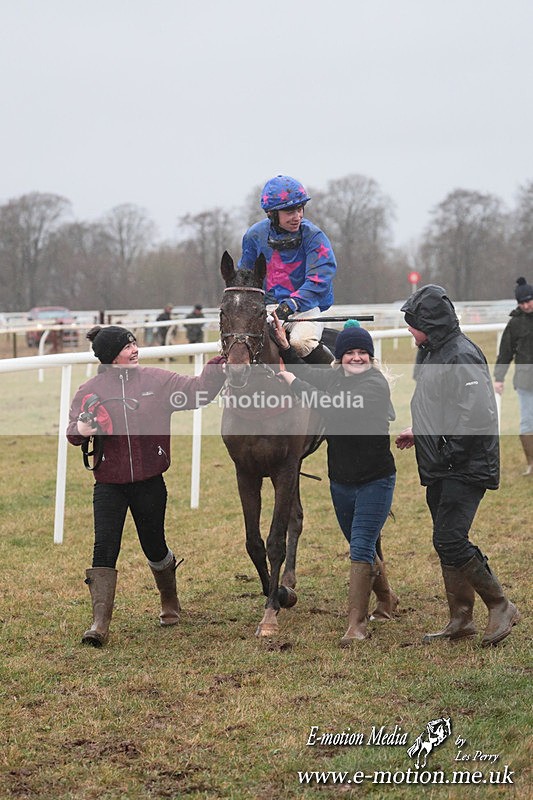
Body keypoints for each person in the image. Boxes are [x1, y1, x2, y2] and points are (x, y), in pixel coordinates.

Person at [66, 325, 226, 647]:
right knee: (104, 549)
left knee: (154, 546)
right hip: (109, 485)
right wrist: (84, 425)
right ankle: (99, 624)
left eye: (135, 344)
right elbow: (73, 432)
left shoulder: (158, 381)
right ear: (112, 357)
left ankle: (170, 602)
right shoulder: (89, 389)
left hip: (150, 483)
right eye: (128, 347)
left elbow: (199, 392)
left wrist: (222, 362)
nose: (135, 350)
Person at [395, 285, 520, 647]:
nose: (407, 329)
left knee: (449, 538)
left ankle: (500, 605)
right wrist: (419, 431)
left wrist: (447, 449)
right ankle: (460, 620)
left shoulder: (461, 354)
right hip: (442, 461)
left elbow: (477, 415)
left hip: (464, 464)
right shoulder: (432, 350)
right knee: (446, 540)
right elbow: (441, 405)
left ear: (429, 323)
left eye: (411, 322)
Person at [273, 316, 398, 647]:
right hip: (341, 482)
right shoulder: (336, 378)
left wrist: (294, 383)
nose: (356, 357)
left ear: (371, 358)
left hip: (376, 480)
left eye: (362, 352)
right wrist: (287, 348)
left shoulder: (373, 385)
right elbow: (314, 364)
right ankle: (387, 601)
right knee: (364, 546)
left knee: (359, 546)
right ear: (340, 358)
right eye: (350, 353)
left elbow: (334, 407)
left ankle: (355, 625)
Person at [238, 174, 337, 364]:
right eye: (290, 211)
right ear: (272, 214)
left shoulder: (314, 236)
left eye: (300, 209)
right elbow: (245, 277)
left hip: (304, 309)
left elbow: (320, 279)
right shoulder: (254, 236)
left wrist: (291, 305)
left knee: (301, 343)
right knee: (234, 345)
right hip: (266, 309)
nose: (297, 216)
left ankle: (336, 380)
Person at [494, 276, 533, 476]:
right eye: (522, 302)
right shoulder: (515, 324)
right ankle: (531, 463)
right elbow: (505, 352)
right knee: (527, 422)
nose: (526, 305)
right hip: (526, 382)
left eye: (529, 300)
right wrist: (499, 378)